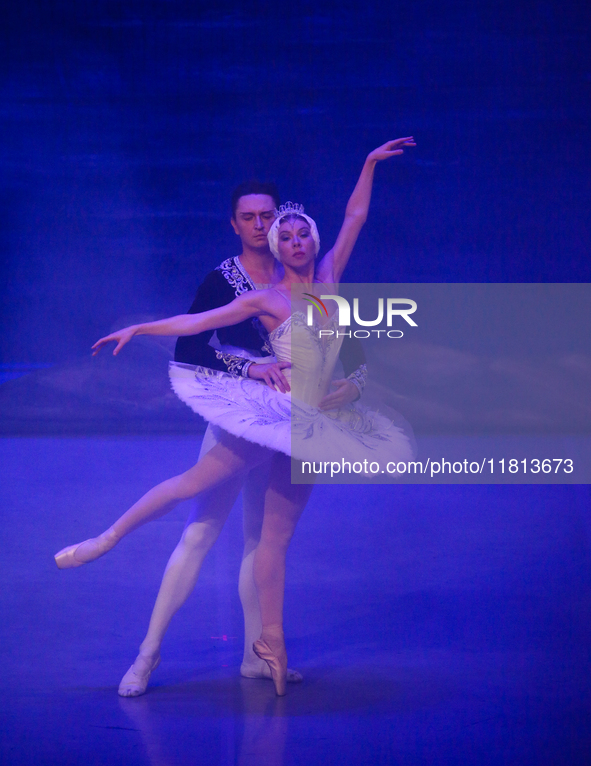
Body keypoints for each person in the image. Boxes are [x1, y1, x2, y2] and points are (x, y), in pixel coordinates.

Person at [55, 137, 416, 694]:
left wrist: (368, 163)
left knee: (270, 542)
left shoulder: (327, 275)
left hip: (307, 426)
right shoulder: (256, 294)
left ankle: (262, 649)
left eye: (287, 225)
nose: (280, 234)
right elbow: (194, 329)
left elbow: (355, 217)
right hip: (255, 415)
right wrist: (140, 327)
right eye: (263, 224)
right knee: (196, 513)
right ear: (245, 227)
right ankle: (110, 547)